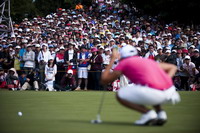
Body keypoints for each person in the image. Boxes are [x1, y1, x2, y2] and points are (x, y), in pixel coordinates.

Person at [101, 45, 180, 126]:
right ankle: (161, 114)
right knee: (149, 87)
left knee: (120, 94)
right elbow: (172, 67)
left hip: (156, 94)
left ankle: (148, 113)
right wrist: (166, 80)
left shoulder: (124, 63)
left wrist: (112, 59)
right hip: (171, 93)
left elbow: (104, 80)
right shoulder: (146, 61)